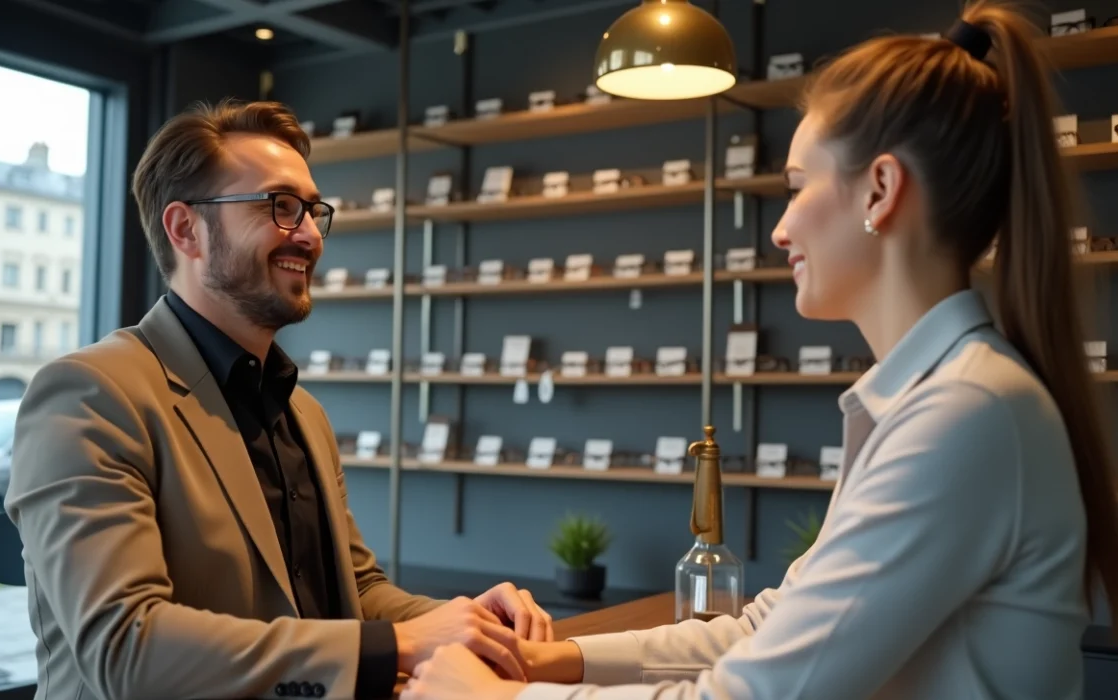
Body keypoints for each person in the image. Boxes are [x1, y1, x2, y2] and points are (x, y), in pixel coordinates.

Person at [401, 3, 1118, 699]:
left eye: (799, 188)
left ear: (880, 191)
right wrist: (546, 660)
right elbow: (759, 632)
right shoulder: (937, 400)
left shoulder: (964, 413)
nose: (779, 230)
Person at [5, 98, 554, 700]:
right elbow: (125, 646)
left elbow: (357, 590)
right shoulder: (89, 393)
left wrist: (468, 621)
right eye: (281, 208)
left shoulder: (304, 414)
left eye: (314, 211)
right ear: (186, 229)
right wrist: (399, 645)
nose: (313, 235)